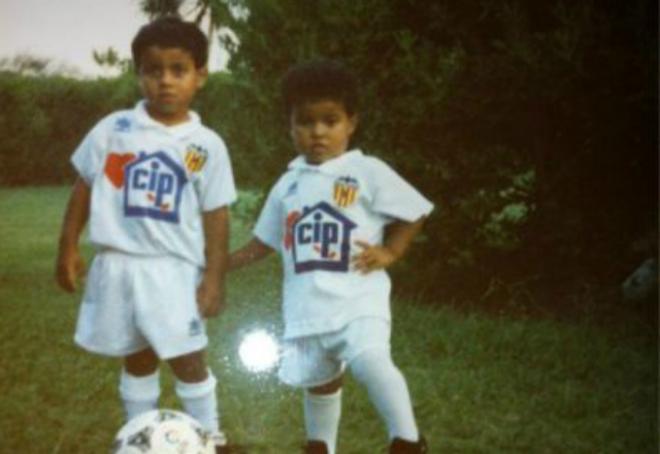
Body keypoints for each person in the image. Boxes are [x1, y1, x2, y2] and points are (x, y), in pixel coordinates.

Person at [229, 59, 432, 453]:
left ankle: (406, 440)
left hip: (357, 298)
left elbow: (415, 210)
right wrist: (221, 264)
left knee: (369, 360)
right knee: (319, 381)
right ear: (290, 125)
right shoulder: (287, 184)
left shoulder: (365, 170)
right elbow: (263, 243)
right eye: (306, 121)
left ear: (351, 123)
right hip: (307, 306)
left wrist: (391, 250)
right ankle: (320, 446)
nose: (318, 132)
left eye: (330, 120)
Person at [54, 16, 236, 453]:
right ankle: (139, 438)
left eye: (179, 70)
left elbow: (217, 215)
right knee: (136, 353)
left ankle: (211, 437)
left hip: (171, 270)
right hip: (118, 264)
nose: (166, 82)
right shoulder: (115, 130)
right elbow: (84, 188)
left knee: (187, 358)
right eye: (154, 71)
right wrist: (68, 248)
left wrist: (213, 278)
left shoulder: (205, 144)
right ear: (139, 75)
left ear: (200, 76)